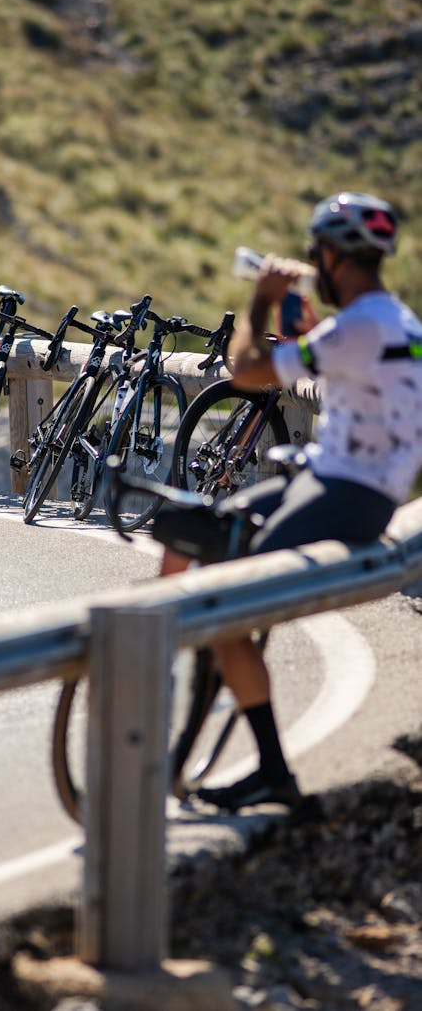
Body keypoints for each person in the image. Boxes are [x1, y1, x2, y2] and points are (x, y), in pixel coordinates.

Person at [153, 191, 422, 812]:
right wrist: (296, 314)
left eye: (314, 254)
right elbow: (327, 358)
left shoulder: (360, 326)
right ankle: (184, 657)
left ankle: (272, 770)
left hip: (347, 493)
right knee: (197, 531)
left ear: (332, 255)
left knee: (230, 610)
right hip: (339, 480)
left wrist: (261, 299)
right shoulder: (393, 320)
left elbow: (244, 368)